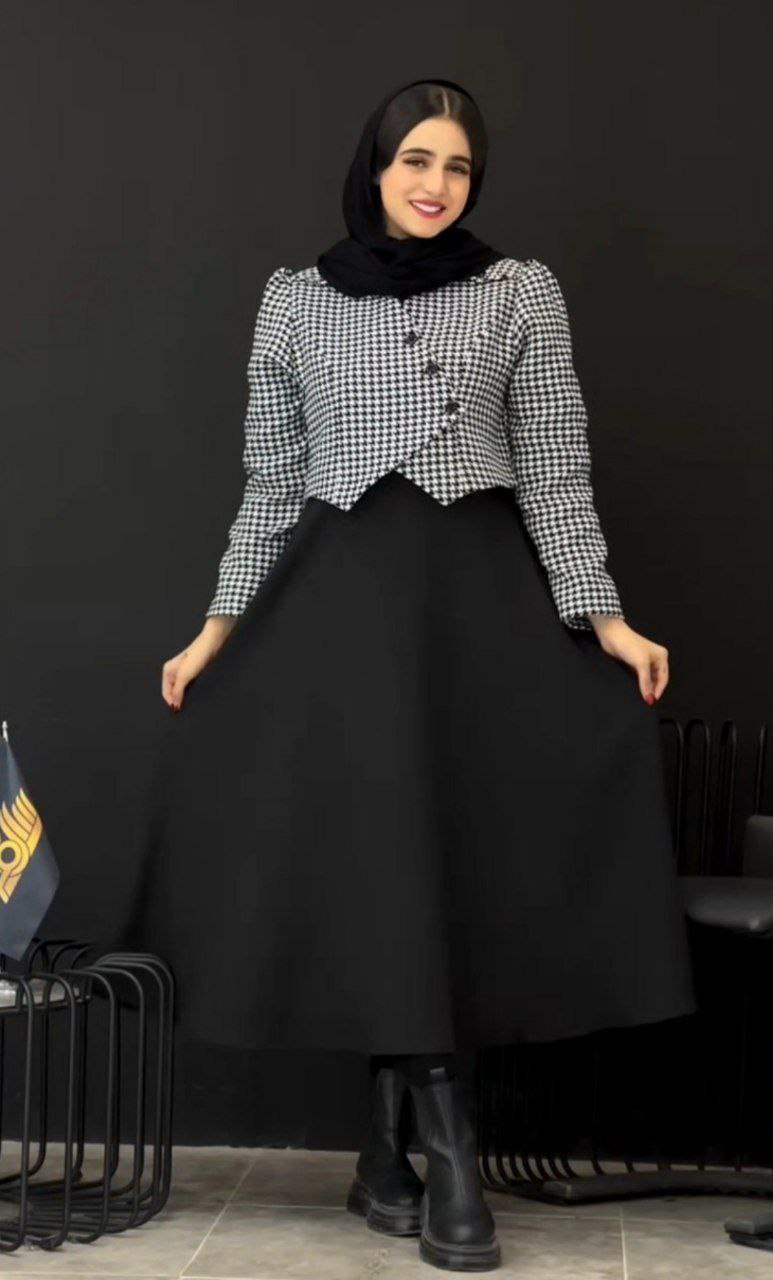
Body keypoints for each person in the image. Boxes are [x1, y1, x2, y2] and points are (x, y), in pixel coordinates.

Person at [124, 77, 698, 1273]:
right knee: (378, 866)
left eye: (457, 167)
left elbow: (554, 464)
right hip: (341, 615)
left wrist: (604, 616)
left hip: (479, 612)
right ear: (374, 167)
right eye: (415, 161)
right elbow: (270, 483)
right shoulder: (291, 301)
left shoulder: (519, 290)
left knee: (449, 865)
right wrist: (215, 630)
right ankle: (444, 1152)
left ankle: (385, 1154)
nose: (436, 185)